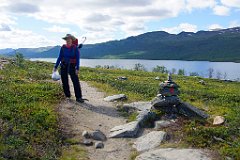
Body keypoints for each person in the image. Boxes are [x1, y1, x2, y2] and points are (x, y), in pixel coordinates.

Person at [53, 34, 84, 103]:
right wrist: (55, 66)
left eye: (69, 39)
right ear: (66, 40)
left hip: (72, 66)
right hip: (64, 65)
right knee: (64, 81)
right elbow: (60, 57)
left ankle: (78, 97)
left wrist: (77, 68)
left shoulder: (75, 48)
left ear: (72, 40)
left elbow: (77, 58)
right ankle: (67, 96)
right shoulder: (63, 47)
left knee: (75, 81)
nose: (68, 41)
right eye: (67, 39)